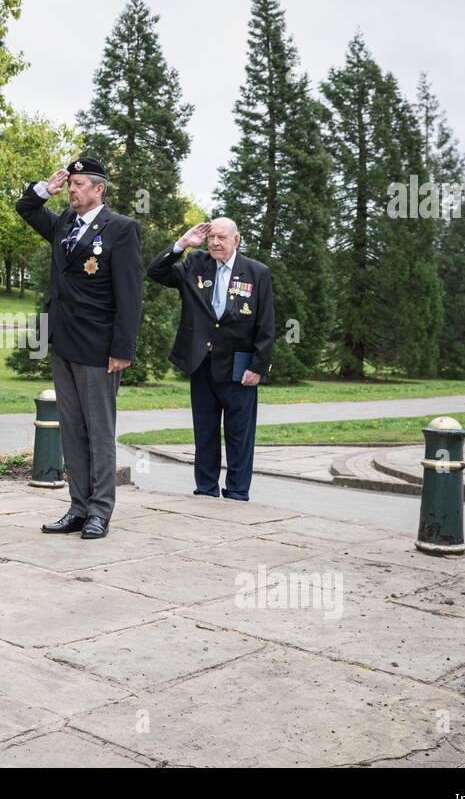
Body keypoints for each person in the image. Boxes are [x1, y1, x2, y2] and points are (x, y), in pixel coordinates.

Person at [15, 157, 143, 539]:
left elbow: (130, 294)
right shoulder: (64, 225)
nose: (72, 189)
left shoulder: (120, 229)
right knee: (71, 429)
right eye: (70, 183)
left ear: (99, 189)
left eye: (80, 184)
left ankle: (101, 510)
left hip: (100, 348)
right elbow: (26, 208)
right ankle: (78, 506)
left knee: (99, 431)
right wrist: (43, 190)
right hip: (65, 342)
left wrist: (123, 348)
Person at [147, 217, 274, 500]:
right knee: (205, 433)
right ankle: (205, 490)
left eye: (221, 238)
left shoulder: (256, 272)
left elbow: (266, 325)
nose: (215, 243)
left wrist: (258, 367)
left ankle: (238, 493)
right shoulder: (195, 265)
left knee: (239, 436)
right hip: (201, 363)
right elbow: (156, 272)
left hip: (239, 368)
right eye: (211, 237)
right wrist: (181, 244)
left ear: (236, 240)